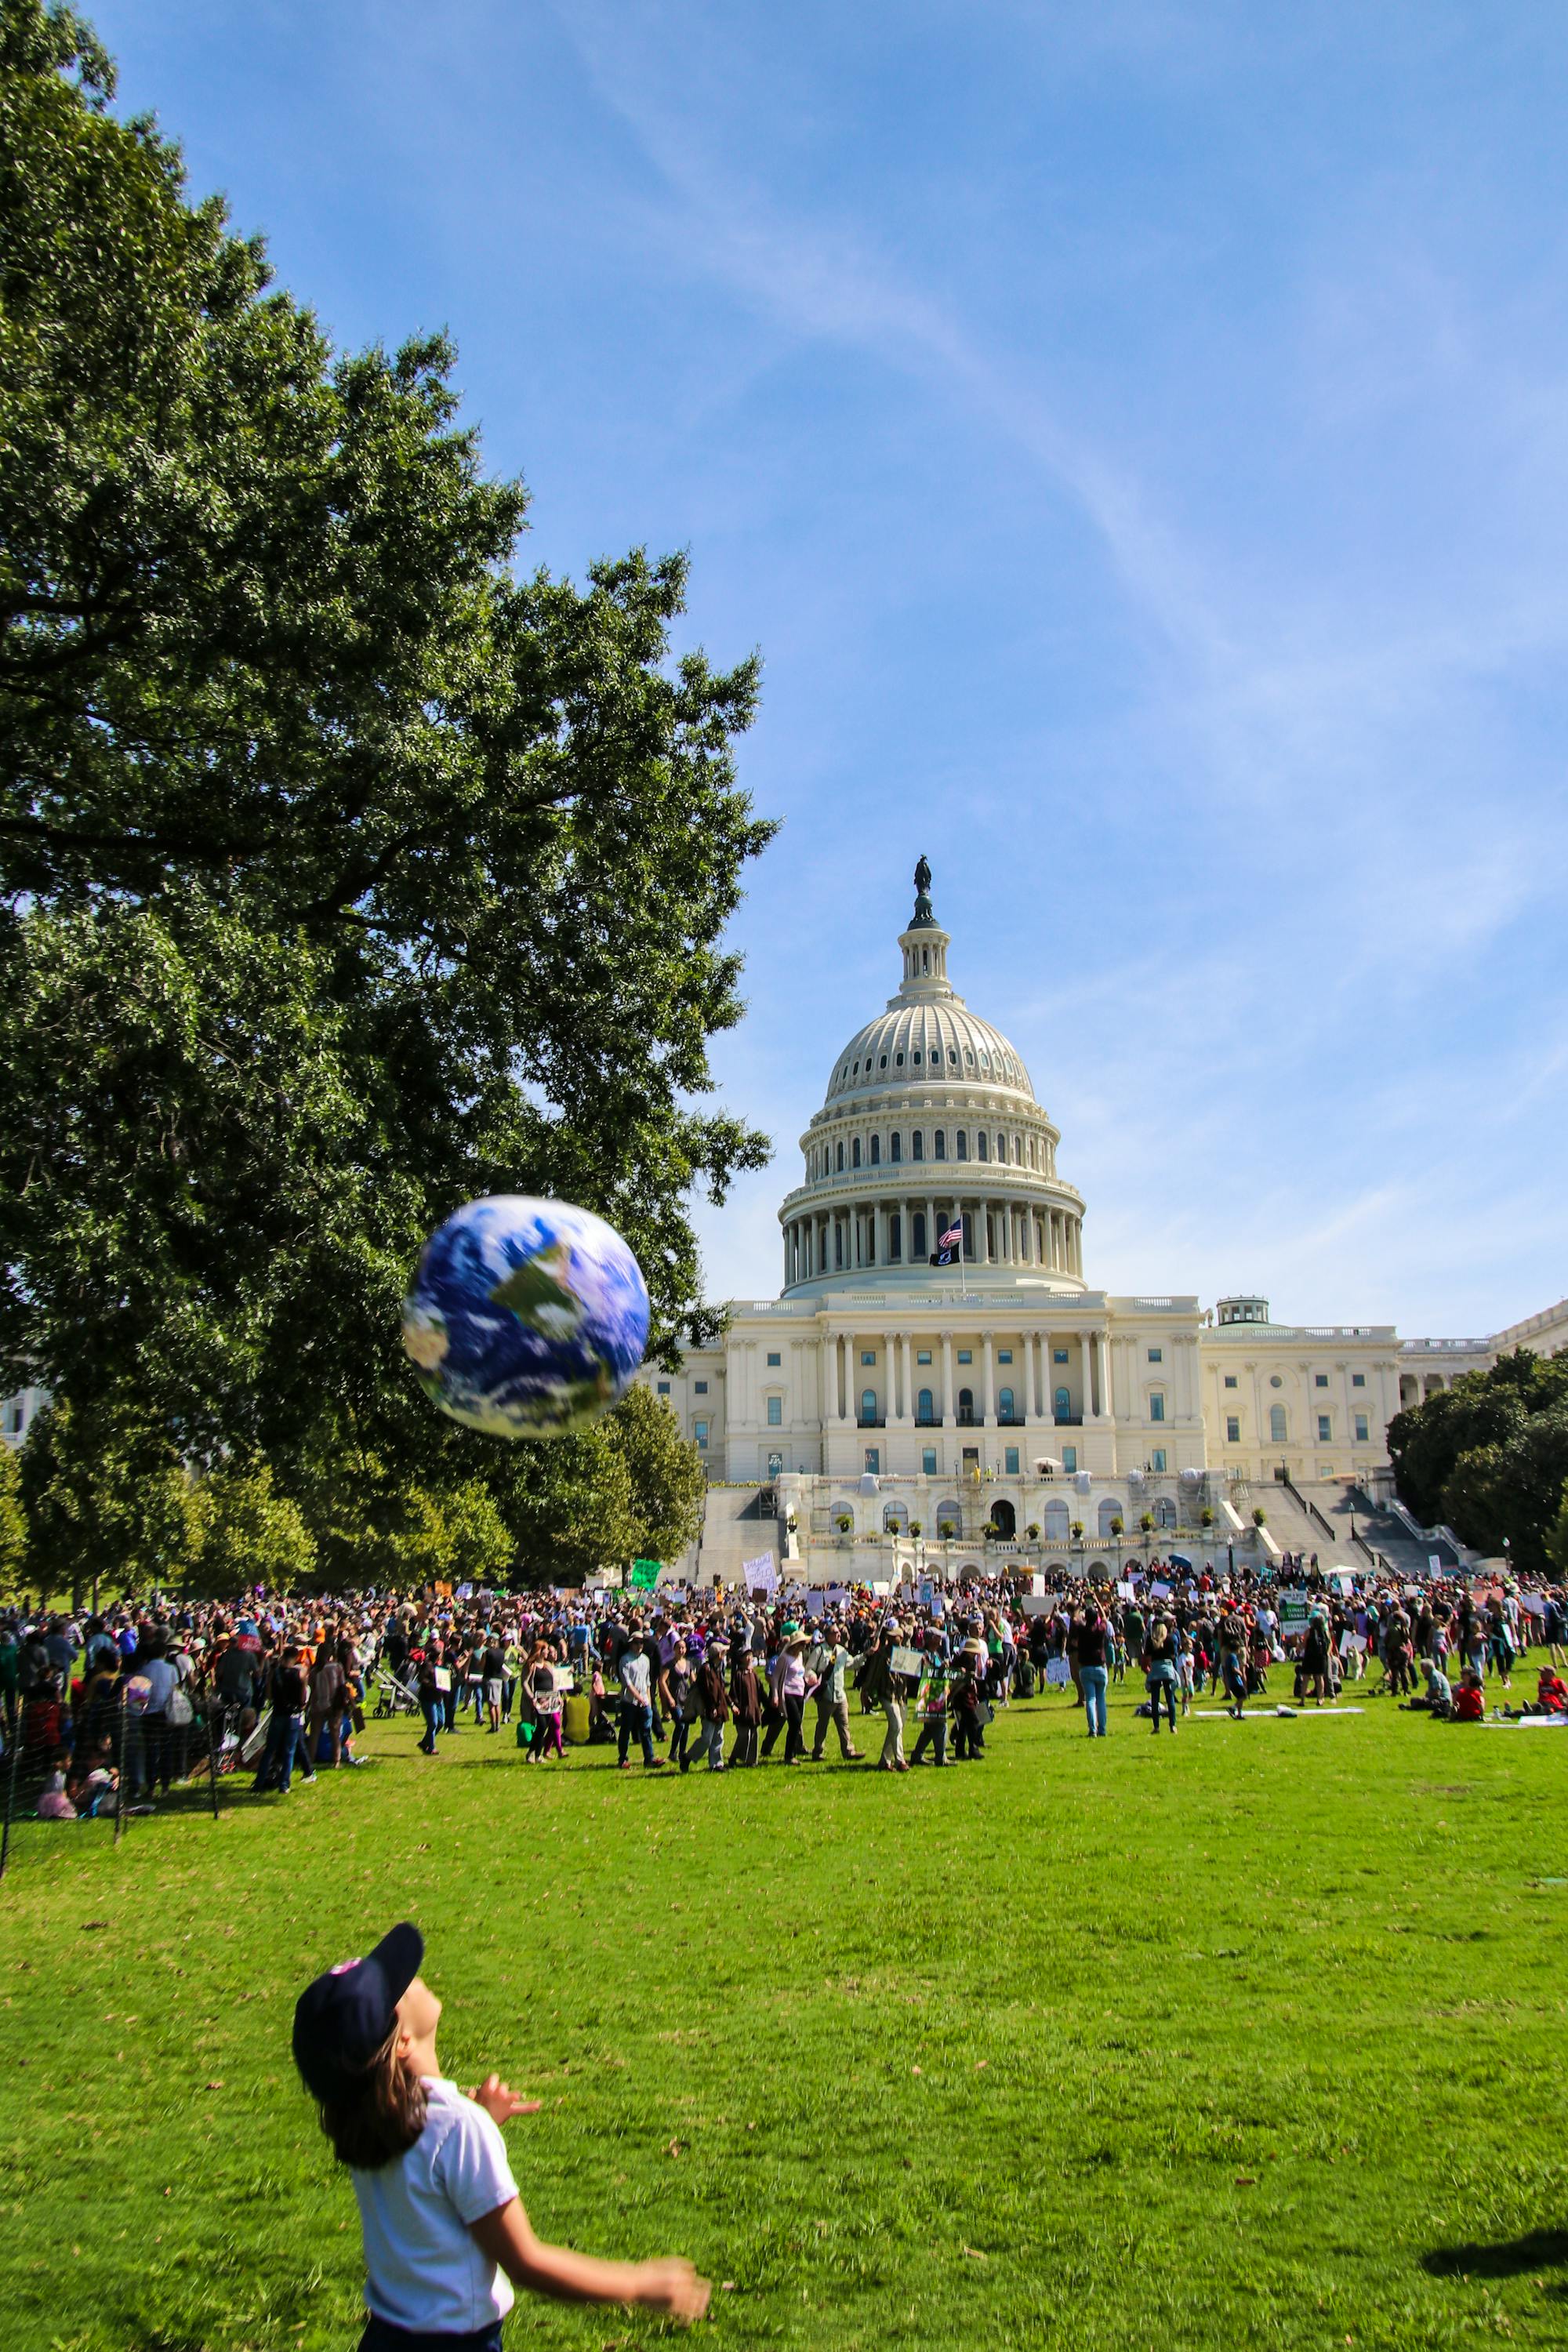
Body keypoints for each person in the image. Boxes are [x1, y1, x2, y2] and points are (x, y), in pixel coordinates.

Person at [292, 1921, 709, 2350]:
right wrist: (636, 2285)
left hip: (384, 2338)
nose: (414, 1979)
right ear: (402, 2041)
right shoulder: (456, 2128)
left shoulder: (368, 2118)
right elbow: (524, 2262)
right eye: (401, 1985)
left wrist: (480, 2117)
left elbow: (427, 2187)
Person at [808, 1628, 863, 1762]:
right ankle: (818, 1752)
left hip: (840, 1694)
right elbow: (809, 1668)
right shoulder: (819, 1651)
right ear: (828, 1635)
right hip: (826, 1695)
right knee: (823, 1725)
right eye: (835, 1633)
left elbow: (852, 1663)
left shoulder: (842, 1651)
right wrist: (813, 1676)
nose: (839, 1634)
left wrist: (865, 1655)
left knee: (844, 1724)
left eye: (838, 1632)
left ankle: (849, 1751)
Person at [616, 1643, 662, 1772]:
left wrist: (648, 1699)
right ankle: (623, 1759)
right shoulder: (625, 1660)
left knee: (646, 1731)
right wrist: (639, 1698)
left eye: (642, 1642)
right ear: (631, 1644)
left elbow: (647, 1681)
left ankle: (649, 1758)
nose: (640, 1645)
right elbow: (627, 1683)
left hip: (644, 1702)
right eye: (637, 1642)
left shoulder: (645, 1659)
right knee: (626, 1731)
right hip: (629, 1702)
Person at [1077, 1603, 1109, 1738]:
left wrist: (1081, 1604)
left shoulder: (1081, 1630)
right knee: (1101, 1700)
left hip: (1086, 1667)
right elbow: (1105, 1619)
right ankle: (1102, 1729)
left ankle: (1092, 1730)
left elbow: (1076, 1618)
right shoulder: (1100, 1630)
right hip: (1100, 1667)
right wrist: (1097, 1600)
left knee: (1090, 1699)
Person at [1142, 1619, 1178, 1736]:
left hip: (1155, 1668)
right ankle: (1172, 1725)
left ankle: (1156, 1726)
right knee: (1170, 1697)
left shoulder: (1150, 1640)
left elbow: (1147, 1656)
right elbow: (1173, 1655)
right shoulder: (1170, 1638)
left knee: (1155, 1699)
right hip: (1167, 1667)